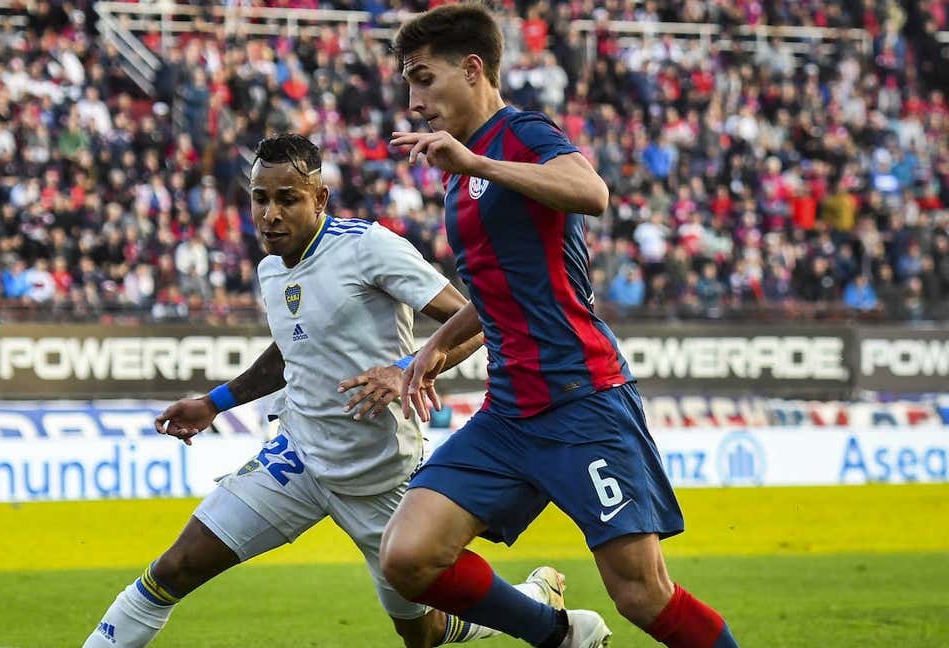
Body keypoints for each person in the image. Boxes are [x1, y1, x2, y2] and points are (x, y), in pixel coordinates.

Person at [81, 133, 576, 648]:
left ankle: (535, 598)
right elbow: (291, 350)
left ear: (319, 199)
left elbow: (478, 321)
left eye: (287, 198)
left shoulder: (369, 247)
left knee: (424, 634)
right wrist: (215, 402)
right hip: (298, 458)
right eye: (260, 198)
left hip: (380, 477)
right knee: (175, 567)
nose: (270, 214)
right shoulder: (271, 268)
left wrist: (407, 367)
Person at [380, 5, 740, 648]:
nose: (414, 101)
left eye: (423, 78)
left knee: (640, 593)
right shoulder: (460, 172)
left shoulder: (518, 135)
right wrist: (435, 345)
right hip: (510, 411)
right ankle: (560, 634)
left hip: (581, 398)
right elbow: (499, 289)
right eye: (408, 84)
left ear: (472, 68)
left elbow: (591, 190)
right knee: (409, 557)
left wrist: (479, 165)